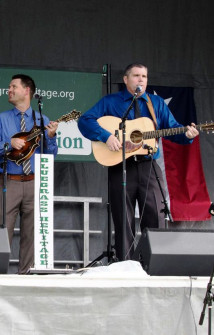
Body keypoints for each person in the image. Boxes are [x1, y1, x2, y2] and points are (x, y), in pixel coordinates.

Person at [77, 63, 199, 261]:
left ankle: (152, 263)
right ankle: (125, 264)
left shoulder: (156, 103)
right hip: (120, 166)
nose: (141, 79)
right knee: (123, 219)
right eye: (136, 76)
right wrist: (106, 136)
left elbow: (174, 129)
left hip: (148, 165)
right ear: (126, 80)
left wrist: (188, 134)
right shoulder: (111, 101)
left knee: (154, 215)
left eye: (144, 76)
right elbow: (85, 121)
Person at [0, 74, 59, 274]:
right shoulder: (2, 118)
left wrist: (51, 138)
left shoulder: (41, 119)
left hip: (35, 182)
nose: (9, 90)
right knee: (2, 231)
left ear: (26, 91)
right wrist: (9, 144)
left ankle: (26, 276)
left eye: (13, 86)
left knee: (32, 234)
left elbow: (50, 155)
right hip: (10, 181)